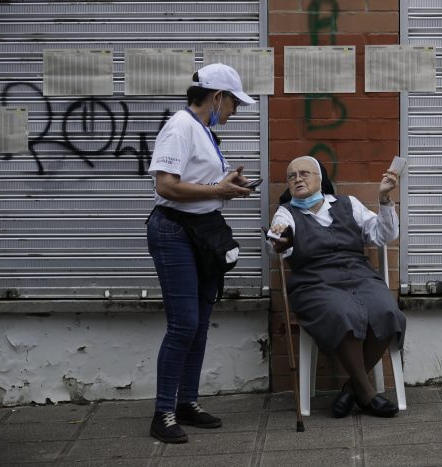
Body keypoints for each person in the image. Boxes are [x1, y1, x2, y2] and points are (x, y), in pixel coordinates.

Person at [146, 63, 255, 443]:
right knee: (184, 325)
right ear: (217, 97)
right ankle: (163, 413)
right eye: (234, 103)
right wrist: (217, 191)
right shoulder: (180, 126)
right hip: (175, 232)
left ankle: (187, 403)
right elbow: (166, 186)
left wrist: (227, 183)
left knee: (200, 324)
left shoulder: (203, 130)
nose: (235, 111)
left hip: (203, 234)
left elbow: (199, 181)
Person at [269, 156, 406, 418]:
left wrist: (385, 199)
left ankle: (351, 388)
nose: (298, 179)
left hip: (360, 276)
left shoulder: (348, 204)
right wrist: (278, 240)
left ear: (320, 178)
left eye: (304, 173)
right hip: (314, 283)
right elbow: (279, 247)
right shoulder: (286, 212)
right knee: (342, 313)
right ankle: (366, 394)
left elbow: (383, 235)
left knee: (388, 312)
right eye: (292, 176)